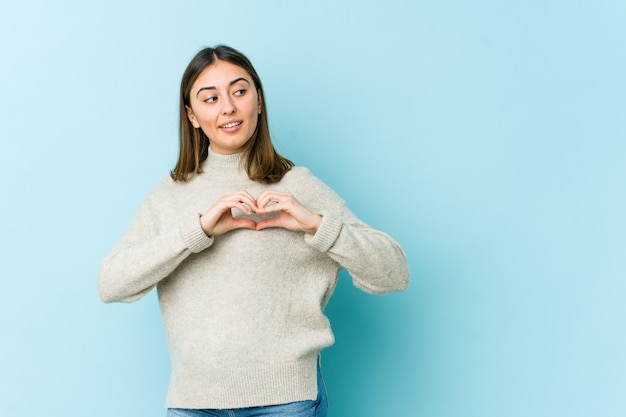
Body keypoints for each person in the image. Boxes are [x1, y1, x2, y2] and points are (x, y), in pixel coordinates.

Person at [98, 45, 410, 417]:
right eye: (210, 98)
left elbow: (394, 274)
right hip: (192, 405)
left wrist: (317, 225)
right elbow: (112, 284)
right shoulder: (169, 196)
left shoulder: (299, 187)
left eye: (240, 91)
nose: (228, 107)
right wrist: (196, 232)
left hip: (286, 402)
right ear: (192, 116)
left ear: (258, 102)